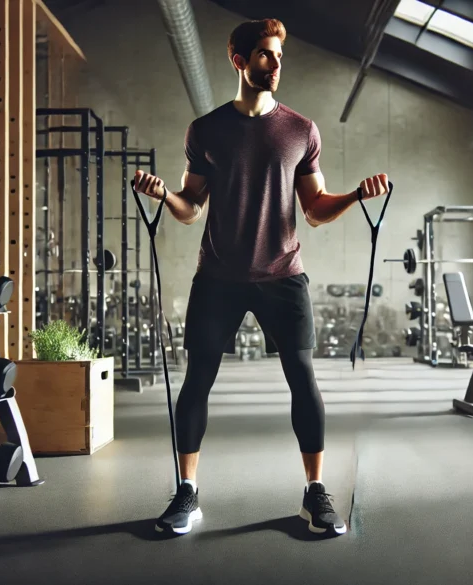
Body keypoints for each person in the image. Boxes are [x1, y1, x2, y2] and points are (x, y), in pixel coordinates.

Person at [132, 18, 390, 537]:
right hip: (219, 276)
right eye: (266, 56)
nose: (274, 65)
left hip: (282, 274)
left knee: (303, 380)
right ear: (239, 60)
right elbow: (190, 210)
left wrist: (357, 195)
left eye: (278, 56)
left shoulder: (301, 130)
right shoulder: (205, 130)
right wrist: (162, 194)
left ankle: (314, 493)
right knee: (196, 382)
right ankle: (187, 492)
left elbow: (314, 209)